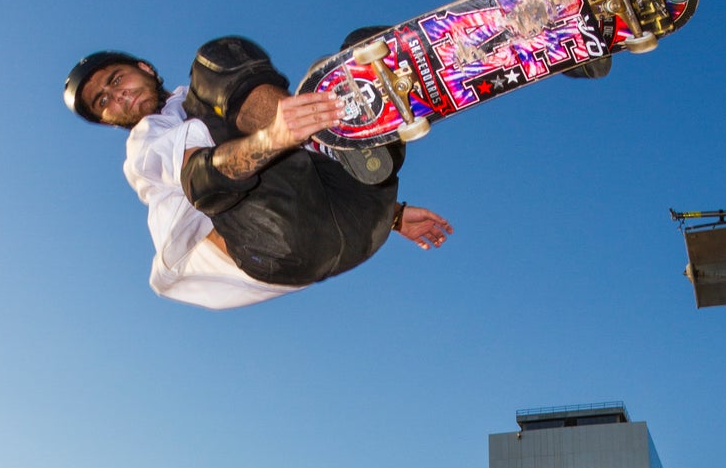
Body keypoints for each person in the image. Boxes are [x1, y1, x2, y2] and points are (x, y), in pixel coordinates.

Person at [64, 39, 453, 315]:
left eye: (116, 80)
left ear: (143, 69)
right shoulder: (145, 143)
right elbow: (201, 176)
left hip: (358, 220)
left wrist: (395, 216)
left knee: (362, 56)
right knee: (214, 64)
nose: (117, 97)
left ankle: (456, 57)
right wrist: (276, 135)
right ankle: (327, 137)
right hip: (278, 244)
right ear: (108, 120)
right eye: (104, 102)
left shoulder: (198, 100)